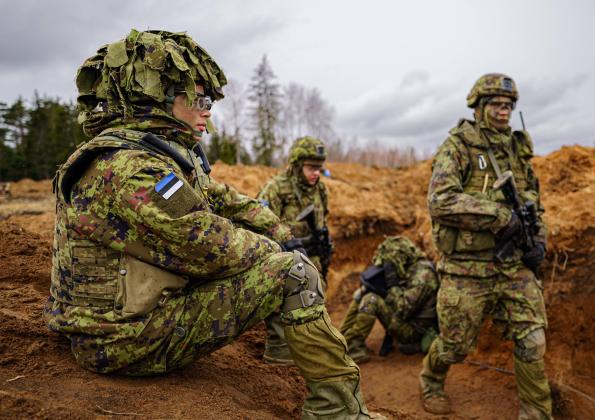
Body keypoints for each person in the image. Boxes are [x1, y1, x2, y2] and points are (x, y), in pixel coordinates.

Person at [43, 29, 377, 418]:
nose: (207, 110)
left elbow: (223, 199)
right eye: (198, 99)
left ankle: (286, 356)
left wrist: (282, 233)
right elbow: (211, 249)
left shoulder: (154, 155)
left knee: (285, 257)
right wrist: (279, 251)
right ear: (158, 100)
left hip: (122, 322)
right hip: (122, 340)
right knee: (295, 275)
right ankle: (340, 413)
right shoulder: (131, 167)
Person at [420, 73, 552, 419]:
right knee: (455, 346)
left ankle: (536, 412)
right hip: (467, 268)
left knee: (532, 340)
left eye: (508, 105)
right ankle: (431, 379)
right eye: (495, 104)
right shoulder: (459, 146)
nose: (503, 111)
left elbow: (534, 203)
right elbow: (440, 201)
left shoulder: (518, 149)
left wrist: (539, 241)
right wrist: (498, 215)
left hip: (514, 266)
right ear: (478, 107)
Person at [256, 136, 333, 364]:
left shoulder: (320, 190)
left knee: (317, 300)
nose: (316, 173)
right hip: (285, 260)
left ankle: (310, 346)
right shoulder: (275, 189)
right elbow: (261, 228)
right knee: (283, 302)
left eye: (319, 168)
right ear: (297, 165)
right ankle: (279, 350)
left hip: (314, 260)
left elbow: (323, 218)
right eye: (311, 168)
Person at [339, 236, 439, 363]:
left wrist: (392, 285)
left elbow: (403, 309)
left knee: (372, 300)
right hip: (407, 321)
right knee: (364, 293)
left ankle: (353, 348)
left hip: (414, 332)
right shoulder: (410, 268)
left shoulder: (423, 276)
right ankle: (340, 340)